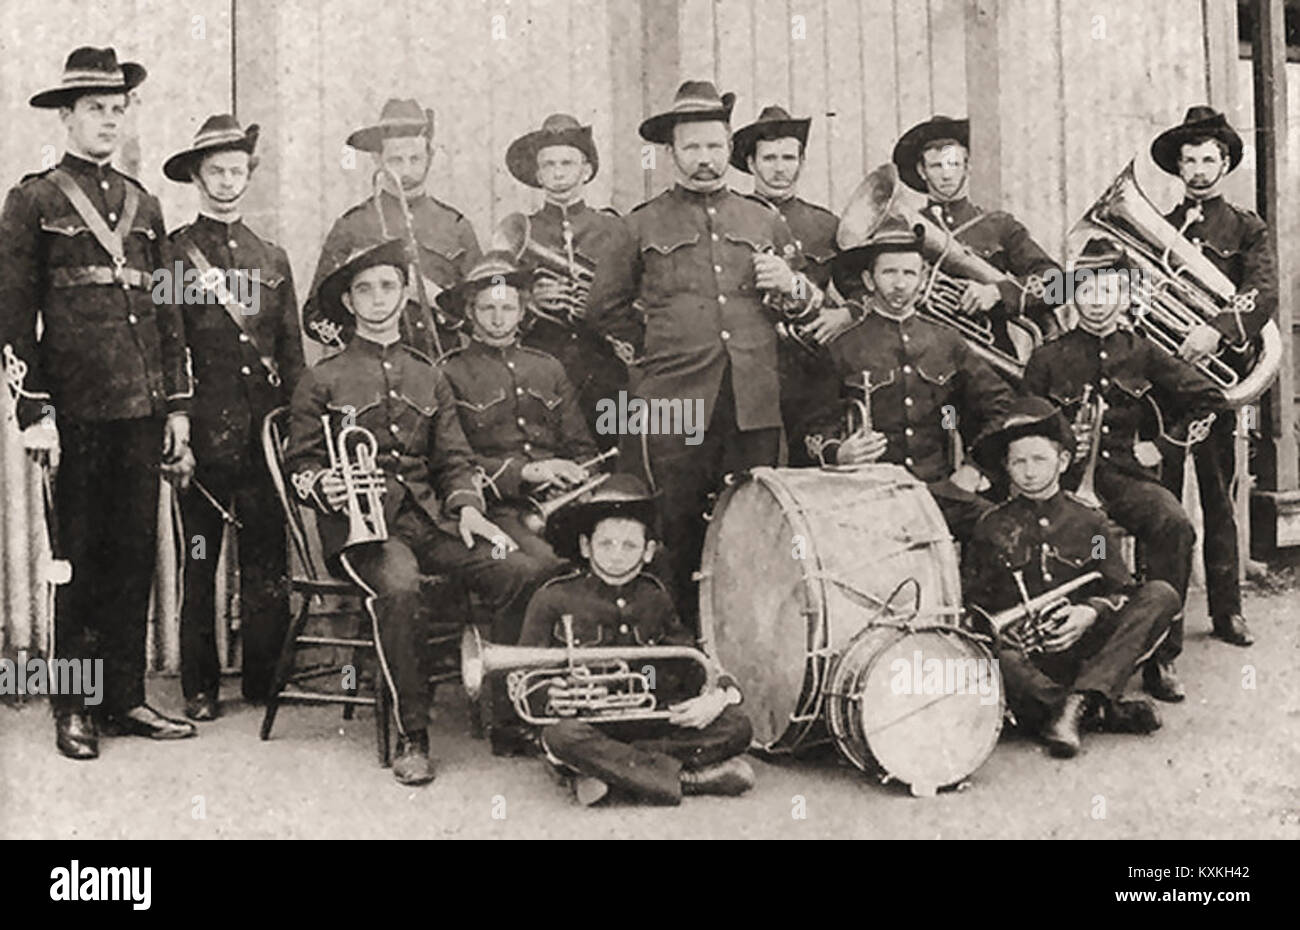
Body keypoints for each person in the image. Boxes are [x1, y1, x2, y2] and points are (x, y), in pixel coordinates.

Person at [285, 239, 555, 785]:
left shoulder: (428, 375)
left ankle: (507, 716)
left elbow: (454, 458)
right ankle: (414, 733)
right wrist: (325, 485)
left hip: (430, 520)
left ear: (406, 293)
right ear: (350, 304)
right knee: (402, 588)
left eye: (388, 286)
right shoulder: (322, 378)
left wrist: (471, 510)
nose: (377, 299)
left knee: (524, 570)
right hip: (363, 534)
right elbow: (300, 467)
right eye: (364, 290)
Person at [0, 47, 196, 759]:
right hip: (75, 413)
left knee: (134, 558)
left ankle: (124, 700)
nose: (109, 122)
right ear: (66, 116)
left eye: (118, 110)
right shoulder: (34, 199)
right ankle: (72, 708)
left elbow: (168, 311)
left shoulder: (147, 203)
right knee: (76, 563)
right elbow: (13, 316)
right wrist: (34, 411)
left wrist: (176, 406)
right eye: (95, 110)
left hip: (141, 411)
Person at [585, 80, 821, 626]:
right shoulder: (637, 224)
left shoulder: (764, 220)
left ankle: (752, 643)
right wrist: (658, 353)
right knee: (672, 525)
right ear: (671, 153)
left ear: (728, 147)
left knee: (758, 525)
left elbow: (800, 309)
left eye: (715, 146)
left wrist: (790, 284)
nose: (705, 159)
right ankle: (677, 645)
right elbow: (603, 308)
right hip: (673, 402)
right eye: (692, 148)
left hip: (754, 399)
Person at [1021, 239, 1224, 702]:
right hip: (1062, 482)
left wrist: (1162, 447)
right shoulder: (1048, 357)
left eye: (1107, 288)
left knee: (1174, 525)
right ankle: (1060, 649)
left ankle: (1161, 655)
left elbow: (1210, 400)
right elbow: (1022, 422)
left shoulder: (1144, 352)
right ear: (1073, 293)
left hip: (1125, 477)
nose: (1096, 299)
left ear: (1126, 293)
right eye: (1086, 288)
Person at [163, 114, 304, 718]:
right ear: (197, 176)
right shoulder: (177, 253)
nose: (227, 181)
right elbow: (169, 345)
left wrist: (297, 431)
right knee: (199, 560)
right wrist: (178, 426)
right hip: (202, 433)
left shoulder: (270, 256)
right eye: (215, 171)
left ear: (250, 175)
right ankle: (199, 686)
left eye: (236, 170)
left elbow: (293, 352)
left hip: (264, 435)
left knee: (267, 561)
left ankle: (262, 680)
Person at [517, 474, 754, 805]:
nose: (616, 555)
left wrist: (717, 695)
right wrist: (550, 696)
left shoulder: (655, 596)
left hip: (651, 724)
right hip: (591, 726)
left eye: (629, 545)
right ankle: (688, 779)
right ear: (586, 547)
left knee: (738, 725)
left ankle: (607, 773)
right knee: (561, 736)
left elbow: (691, 660)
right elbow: (523, 682)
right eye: (606, 544)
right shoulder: (553, 598)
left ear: (648, 551)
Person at [963, 398, 1179, 758]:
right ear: (1007, 467)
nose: (1029, 471)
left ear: (1062, 462)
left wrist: (1089, 612)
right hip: (1029, 662)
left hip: (1085, 652)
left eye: (1039, 460)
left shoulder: (1089, 523)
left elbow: (1118, 589)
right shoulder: (991, 526)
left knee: (1161, 594)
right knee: (987, 653)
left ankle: (1073, 704)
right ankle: (1094, 708)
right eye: (1018, 462)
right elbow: (976, 606)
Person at [803, 215, 1014, 544]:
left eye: (908, 273)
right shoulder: (842, 348)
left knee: (1001, 530)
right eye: (889, 272)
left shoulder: (948, 342)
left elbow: (1001, 406)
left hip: (939, 493)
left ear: (923, 277)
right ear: (869, 280)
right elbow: (811, 430)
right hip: (869, 498)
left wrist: (976, 469)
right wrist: (838, 453)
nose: (899, 284)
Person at [1152, 106, 1276, 649]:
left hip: (1217, 385)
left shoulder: (1247, 227)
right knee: (1165, 507)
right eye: (1190, 160)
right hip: (1166, 390)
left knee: (1220, 499)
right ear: (1177, 167)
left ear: (1224, 164)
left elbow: (1262, 290)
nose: (1199, 170)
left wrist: (1219, 330)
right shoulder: (1158, 226)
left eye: (1209, 159)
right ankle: (1165, 619)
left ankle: (1228, 611)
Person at [435, 251, 602, 572]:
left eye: (508, 308)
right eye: (488, 308)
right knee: (547, 565)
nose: (498, 319)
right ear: (470, 311)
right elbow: (451, 460)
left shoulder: (548, 368)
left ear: (522, 311)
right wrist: (526, 473)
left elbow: (582, 447)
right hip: (499, 509)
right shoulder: (449, 373)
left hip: (562, 502)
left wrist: (583, 483)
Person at [303, 98, 481, 357]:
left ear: (430, 156)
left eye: (415, 158)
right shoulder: (351, 226)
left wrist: (439, 302)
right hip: (370, 373)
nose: (407, 170)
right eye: (396, 160)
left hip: (440, 372)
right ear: (378, 159)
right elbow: (313, 317)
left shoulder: (456, 226)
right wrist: (364, 339)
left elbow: (490, 305)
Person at [730, 104, 853, 465]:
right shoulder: (731, 217)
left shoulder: (826, 225)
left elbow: (860, 289)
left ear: (801, 161)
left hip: (810, 371)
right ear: (751, 164)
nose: (780, 167)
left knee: (810, 463)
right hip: (748, 365)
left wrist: (845, 314)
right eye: (769, 158)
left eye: (789, 157)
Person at [497, 114, 626, 437]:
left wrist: (598, 306)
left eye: (567, 163)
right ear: (537, 174)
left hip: (604, 365)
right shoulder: (524, 227)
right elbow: (493, 295)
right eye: (548, 165)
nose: (557, 172)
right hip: (540, 363)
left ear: (586, 170)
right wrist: (528, 300)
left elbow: (635, 296)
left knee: (613, 450)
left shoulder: (613, 228)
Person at [892, 115, 1061, 346]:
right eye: (936, 166)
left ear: (967, 167)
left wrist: (999, 292)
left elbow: (1057, 284)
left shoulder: (999, 224)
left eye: (954, 164)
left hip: (991, 361)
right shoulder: (904, 229)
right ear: (922, 171)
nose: (946, 174)